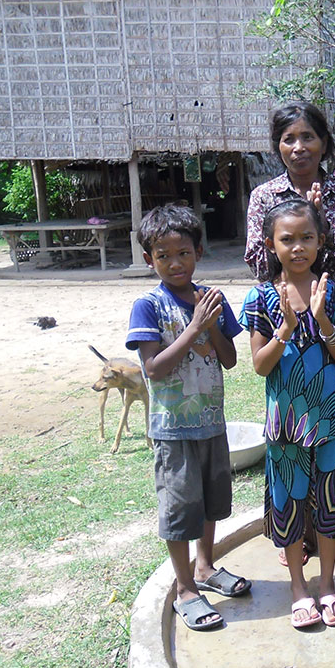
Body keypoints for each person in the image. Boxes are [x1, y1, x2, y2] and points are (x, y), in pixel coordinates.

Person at [126, 204, 249, 632]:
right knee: (180, 509)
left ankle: (205, 566)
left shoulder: (212, 299)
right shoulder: (148, 306)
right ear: (149, 259)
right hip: (172, 429)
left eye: (183, 253)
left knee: (211, 502)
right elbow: (153, 369)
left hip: (211, 422)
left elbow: (231, 360)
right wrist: (194, 328)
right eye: (163, 255)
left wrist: (211, 325)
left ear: (199, 251)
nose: (174, 263)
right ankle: (184, 589)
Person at [241, 199, 335, 629]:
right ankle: (297, 586)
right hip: (286, 423)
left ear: (320, 240)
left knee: (329, 501)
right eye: (286, 239)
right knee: (288, 503)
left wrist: (323, 319)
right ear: (271, 245)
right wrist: (285, 330)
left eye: (306, 238)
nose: (297, 247)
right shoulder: (260, 297)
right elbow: (259, 365)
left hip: (329, 418)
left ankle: (327, 584)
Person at [244, 101, 335, 283]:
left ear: (324, 144)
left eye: (307, 137)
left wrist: (325, 229)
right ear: (278, 148)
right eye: (289, 140)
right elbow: (258, 265)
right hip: (285, 302)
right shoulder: (264, 197)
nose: (299, 147)